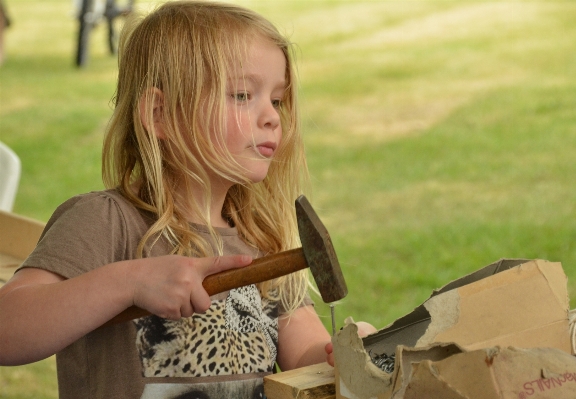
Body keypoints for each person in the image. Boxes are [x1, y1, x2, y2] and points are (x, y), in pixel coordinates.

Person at [0, 1, 375, 398]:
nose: (272, 117)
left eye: (277, 100)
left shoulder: (264, 242)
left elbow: (307, 356)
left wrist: (343, 353)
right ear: (160, 114)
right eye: (244, 95)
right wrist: (128, 282)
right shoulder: (106, 222)